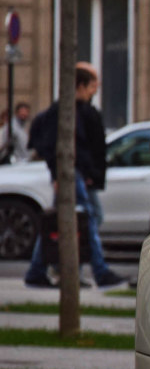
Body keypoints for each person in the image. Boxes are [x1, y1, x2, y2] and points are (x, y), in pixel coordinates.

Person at [23, 66, 126, 289]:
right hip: (71, 174)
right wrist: (59, 174)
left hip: (76, 174)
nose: (94, 90)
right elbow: (57, 147)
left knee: (66, 221)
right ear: (80, 85)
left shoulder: (79, 110)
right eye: (91, 85)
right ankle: (97, 271)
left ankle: (55, 269)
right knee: (83, 219)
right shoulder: (65, 111)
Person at [74, 62, 108, 232]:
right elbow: (84, 145)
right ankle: (93, 255)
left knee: (89, 215)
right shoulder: (81, 112)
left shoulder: (86, 111)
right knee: (93, 215)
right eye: (93, 85)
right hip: (85, 173)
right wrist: (89, 172)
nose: (95, 89)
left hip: (86, 173)